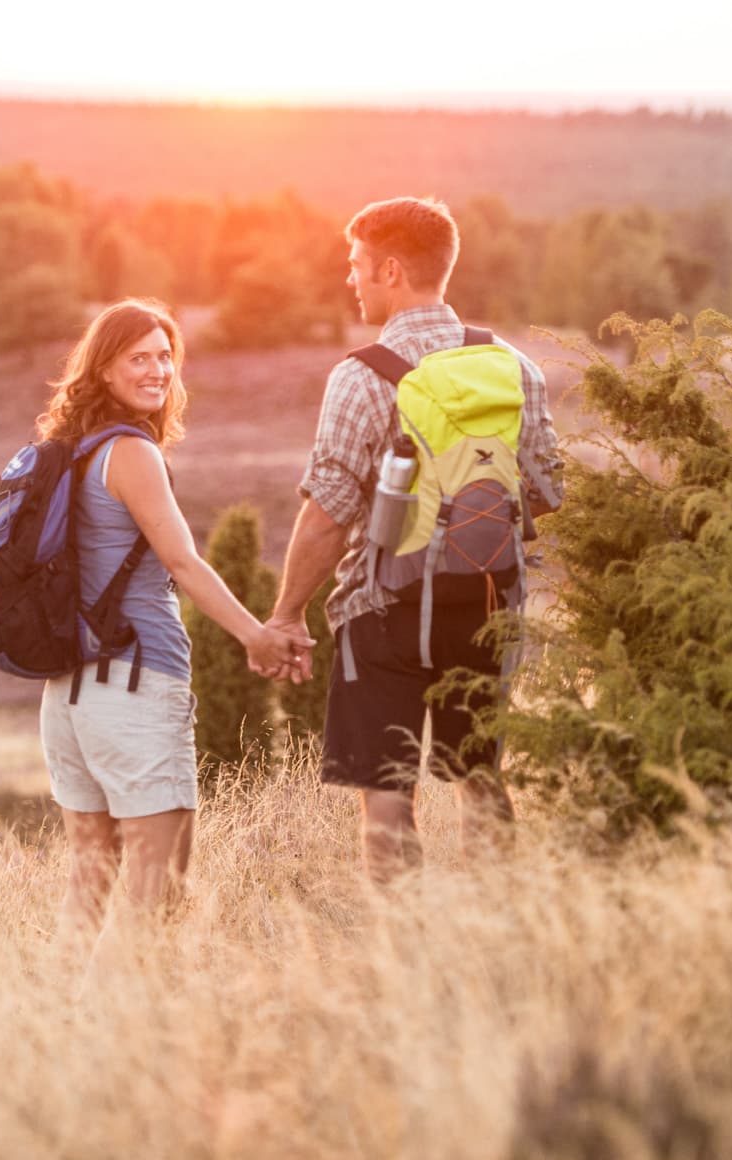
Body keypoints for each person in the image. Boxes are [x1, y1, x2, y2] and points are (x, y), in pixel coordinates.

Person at [265, 197, 560, 882]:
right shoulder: (514, 367)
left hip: (384, 614)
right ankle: (497, 919)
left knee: (388, 797)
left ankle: (405, 952)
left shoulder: (362, 374)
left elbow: (327, 515)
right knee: (481, 778)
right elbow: (546, 488)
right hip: (490, 605)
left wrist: (286, 613)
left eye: (358, 267)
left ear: (392, 270)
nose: (353, 282)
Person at [36, 298, 311, 945]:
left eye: (166, 356)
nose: (158, 370)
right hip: (133, 686)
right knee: (158, 885)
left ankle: (57, 1024)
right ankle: (132, 1029)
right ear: (104, 368)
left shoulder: (67, 453)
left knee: (90, 876)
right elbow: (183, 561)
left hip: (69, 695)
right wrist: (257, 636)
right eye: (140, 358)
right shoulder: (131, 452)